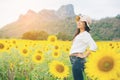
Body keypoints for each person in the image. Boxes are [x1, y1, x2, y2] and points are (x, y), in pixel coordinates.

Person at [69, 14, 97, 80]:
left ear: (85, 24)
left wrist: (84, 55)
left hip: (78, 59)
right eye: (78, 21)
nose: (78, 23)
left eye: (81, 21)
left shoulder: (86, 34)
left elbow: (94, 46)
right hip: (75, 59)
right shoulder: (79, 34)